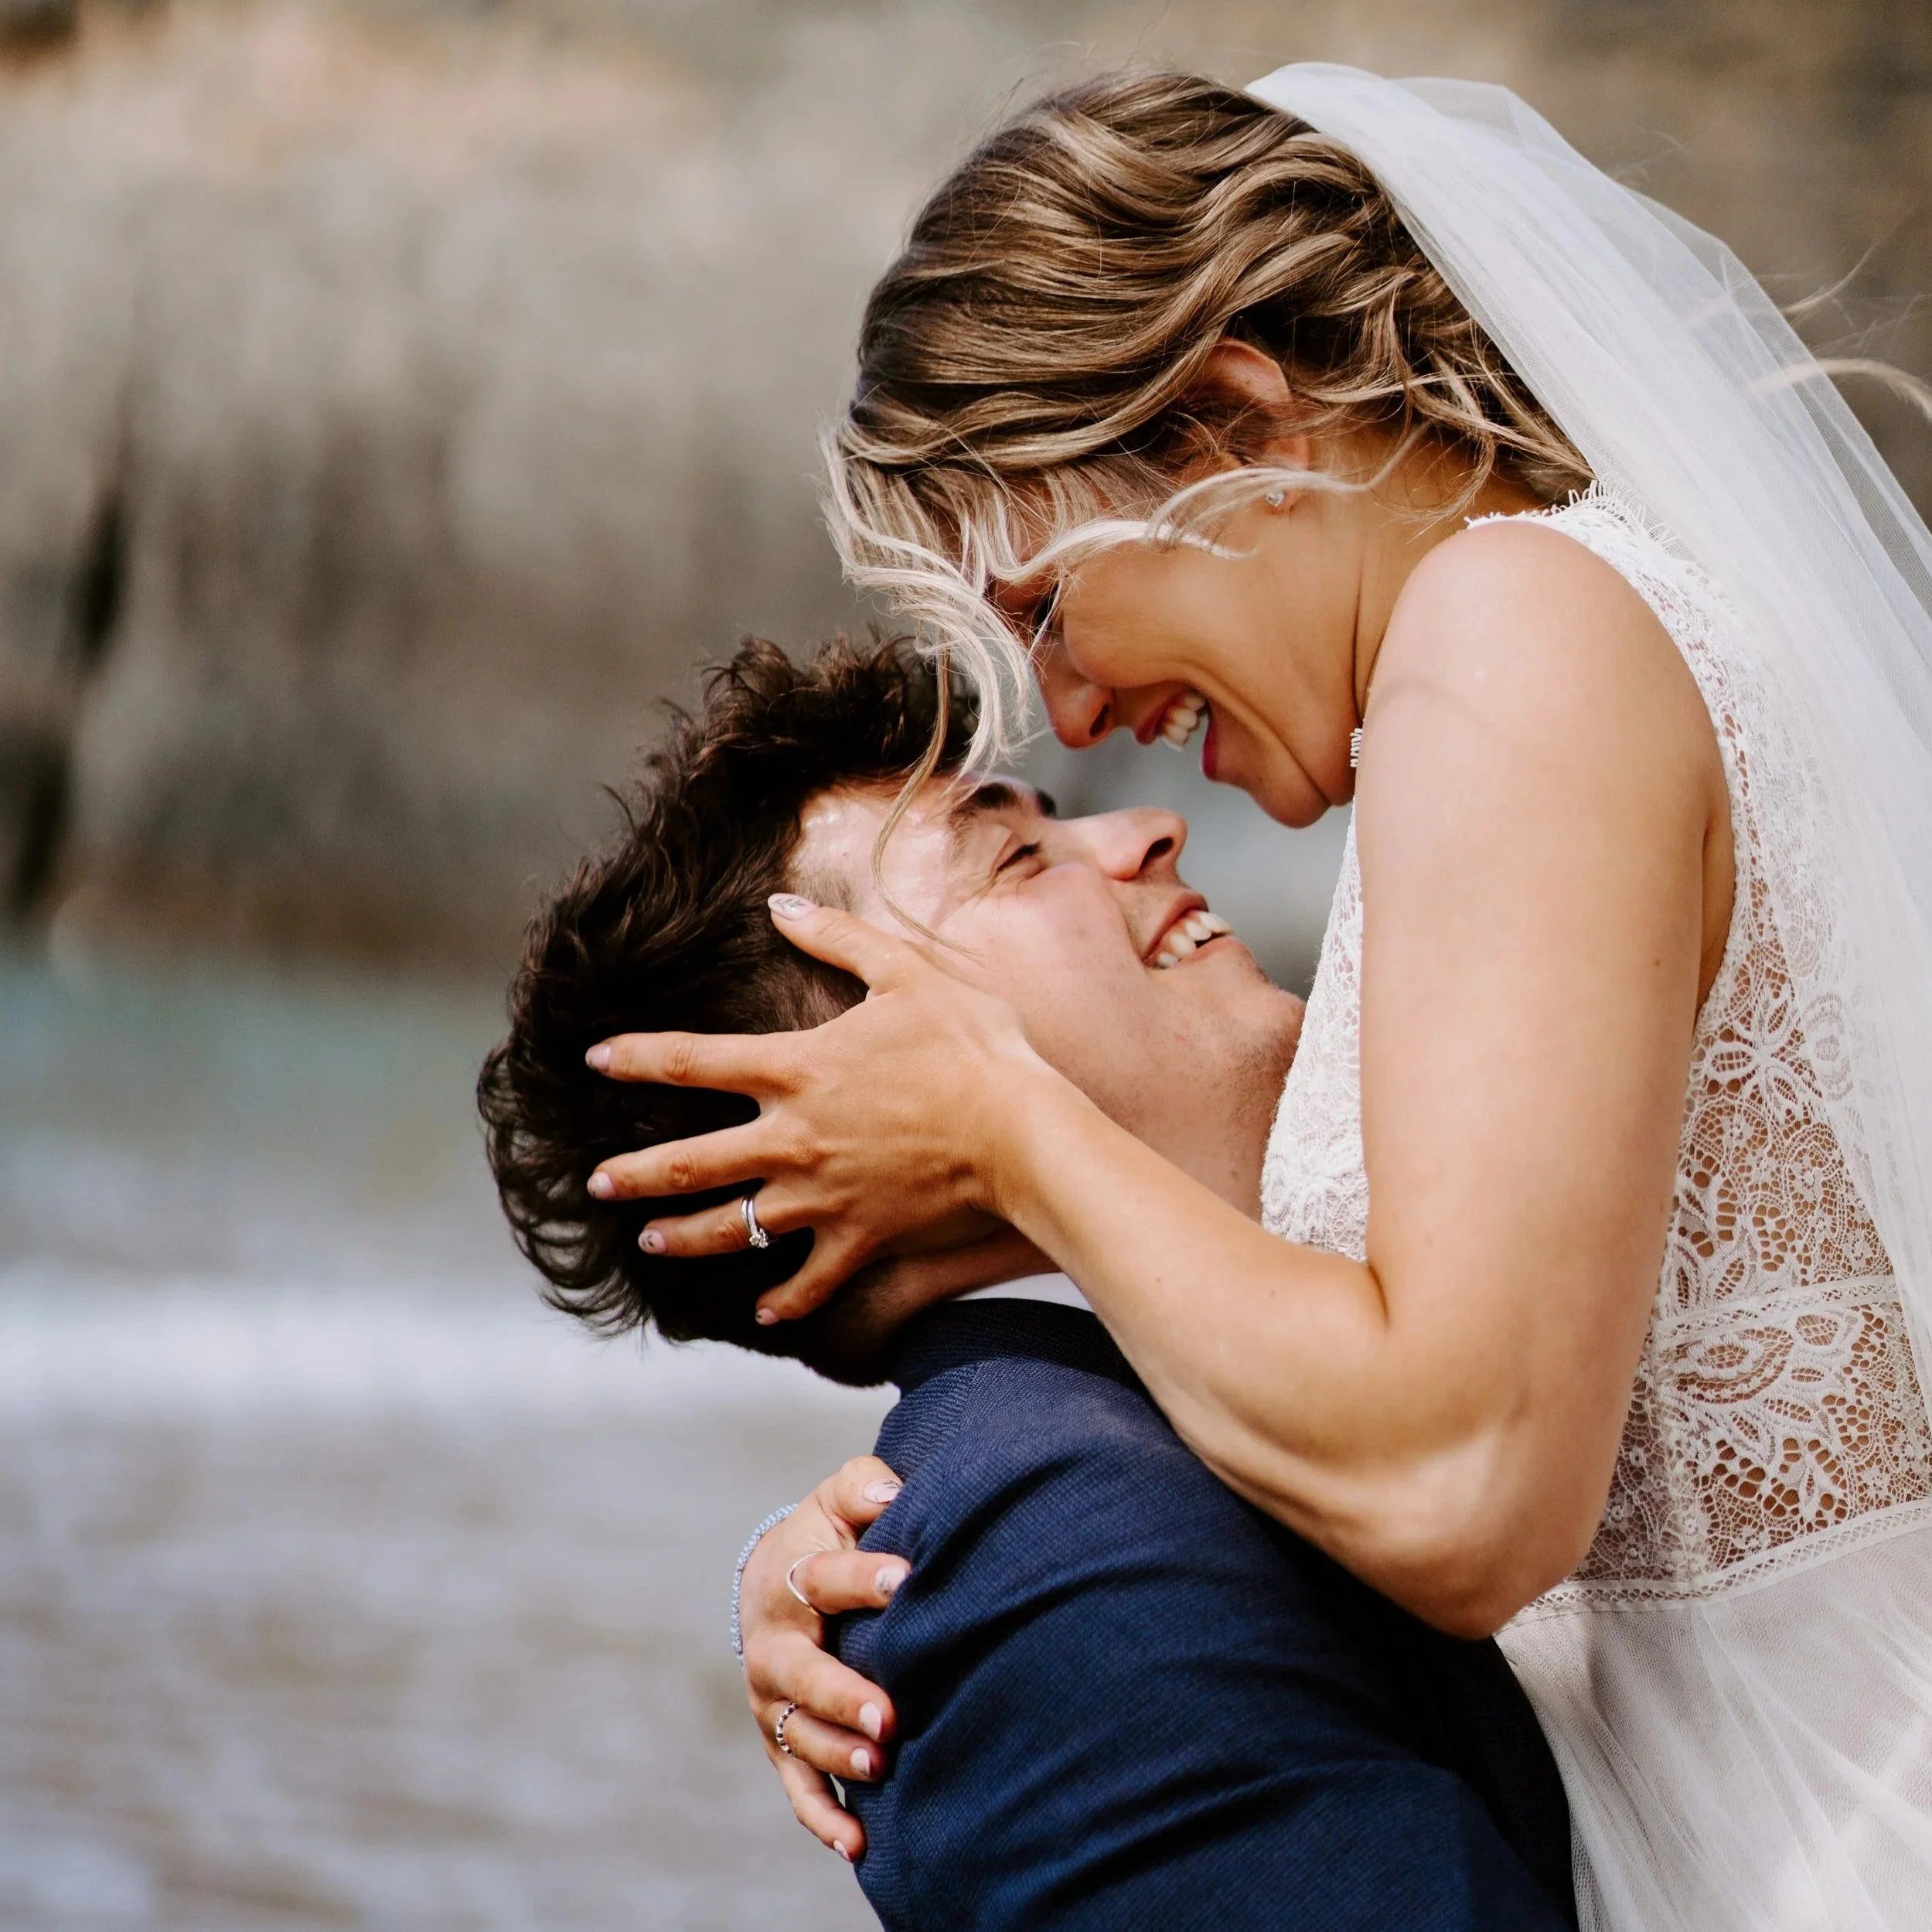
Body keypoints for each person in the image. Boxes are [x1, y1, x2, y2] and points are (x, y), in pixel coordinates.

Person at [589, 69, 1932, 1932]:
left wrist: (1007, 1127)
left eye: (1047, 605)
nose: (1073, 714)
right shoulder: (1536, 657)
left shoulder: (1512, 632)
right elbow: (1371, 1335)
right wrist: (857, 1540)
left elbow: (1467, 1482)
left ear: (1233, 419)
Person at [477, 633, 1579, 1928]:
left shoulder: (1111, 1465)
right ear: (848, 1097)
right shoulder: (1051, 1574)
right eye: (1013, 855)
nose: (1149, 829)